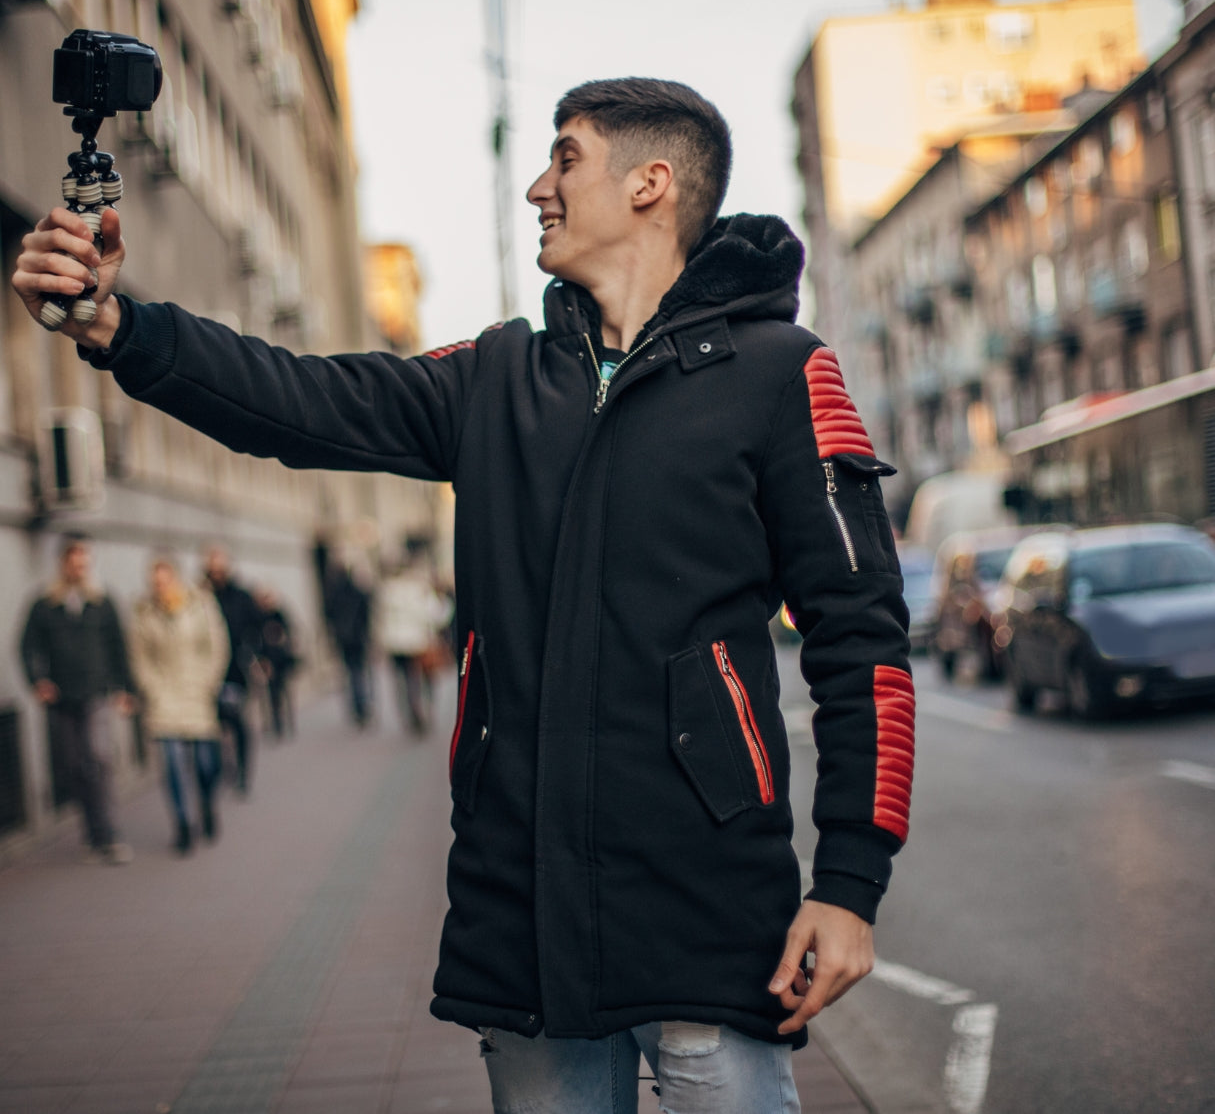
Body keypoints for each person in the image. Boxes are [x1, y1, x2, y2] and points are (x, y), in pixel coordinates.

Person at [14, 77, 915, 1112]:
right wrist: (118, 326)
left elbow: (863, 645)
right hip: (520, 918)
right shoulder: (494, 379)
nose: (537, 186)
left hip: (710, 916)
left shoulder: (782, 374)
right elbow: (297, 401)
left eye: (565, 158)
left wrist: (849, 887)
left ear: (650, 185)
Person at [19, 536, 135, 864]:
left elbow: (119, 646)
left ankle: (110, 833)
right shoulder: (44, 603)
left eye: (85, 562)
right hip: (62, 698)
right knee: (73, 766)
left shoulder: (102, 601)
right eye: (74, 562)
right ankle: (92, 831)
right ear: (64, 564)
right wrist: (38, 680)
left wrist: (126, 689)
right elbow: (27, 646)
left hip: (96, 693)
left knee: (98, 758)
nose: (79, 568)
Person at [129, 556, 229, 853]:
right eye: (155, 582)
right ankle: (183, 824)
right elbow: (140, 656)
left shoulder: (200, 604)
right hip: (164, 697)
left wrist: (209, 681)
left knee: (205, 763)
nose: (160, 587)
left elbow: (216, 645)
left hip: (197, 692)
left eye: (164, 580)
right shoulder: (143, 612)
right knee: (171, 763)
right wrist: (152, 688)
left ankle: (208, 803)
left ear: (176, 578)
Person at [201, 545, 261, 793]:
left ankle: (243, 774)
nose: (217, 573)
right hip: (207, 674)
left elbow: (255, 629)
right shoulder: (200, 597)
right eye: (212, 568)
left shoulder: (241, 597)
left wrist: (256, 658)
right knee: (214, 726)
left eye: (220, 568)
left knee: (237, 723)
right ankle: (222, 768)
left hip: (236, 671)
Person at [378, 543, 451, 735]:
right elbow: (438, 614)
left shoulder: (387, 590)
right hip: (417, 641)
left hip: (394, 642)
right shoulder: (419, 589)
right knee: (422, 677)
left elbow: (380, 618)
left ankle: (409, 710)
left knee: (402, 679)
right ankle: (422, 708)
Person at [321, 552, 375, 728]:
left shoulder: (333, 594)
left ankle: (357, 706)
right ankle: (363, 704)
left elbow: (328, 616)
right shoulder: (357, 592)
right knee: (359, 672)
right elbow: (366, 613)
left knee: (352, 673)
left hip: (344, 639)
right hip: (357, 638)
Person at [253, 586, 298, 739]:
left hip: (281, 660)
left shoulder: (279, 615)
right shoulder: (258, 617)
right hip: (268, 661)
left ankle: (287, 721)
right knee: (272, 695)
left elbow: (288, 635)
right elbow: (257, 641)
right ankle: (276, 723)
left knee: (283, 692)